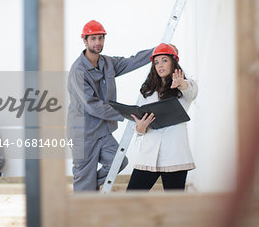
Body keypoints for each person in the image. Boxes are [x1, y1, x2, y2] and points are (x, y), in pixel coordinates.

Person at [67, 20, 157, 192]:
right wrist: (127, 114)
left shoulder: (107, 63)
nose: (98, 43)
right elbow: (92, 105)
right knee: (84, 176)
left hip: (102, 131)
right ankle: (84, 200)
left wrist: (156, 51)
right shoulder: (78, 71)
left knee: (119, 161)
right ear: (85, 41)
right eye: (93, 39)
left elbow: (132, 61)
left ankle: (88, 185)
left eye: (100, 38)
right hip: (82, 134)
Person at [126, 43, 198, 191]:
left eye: (165, 60)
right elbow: (139, 122)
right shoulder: (146, 91)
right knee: (132, 196)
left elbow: (192, 92)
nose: (160, 65)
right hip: (148, 154)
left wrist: (181, 84)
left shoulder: (185, 87)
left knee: (175, 205)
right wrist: (139, 128)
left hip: (175, 155)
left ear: (173, 62)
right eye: (156, 62)